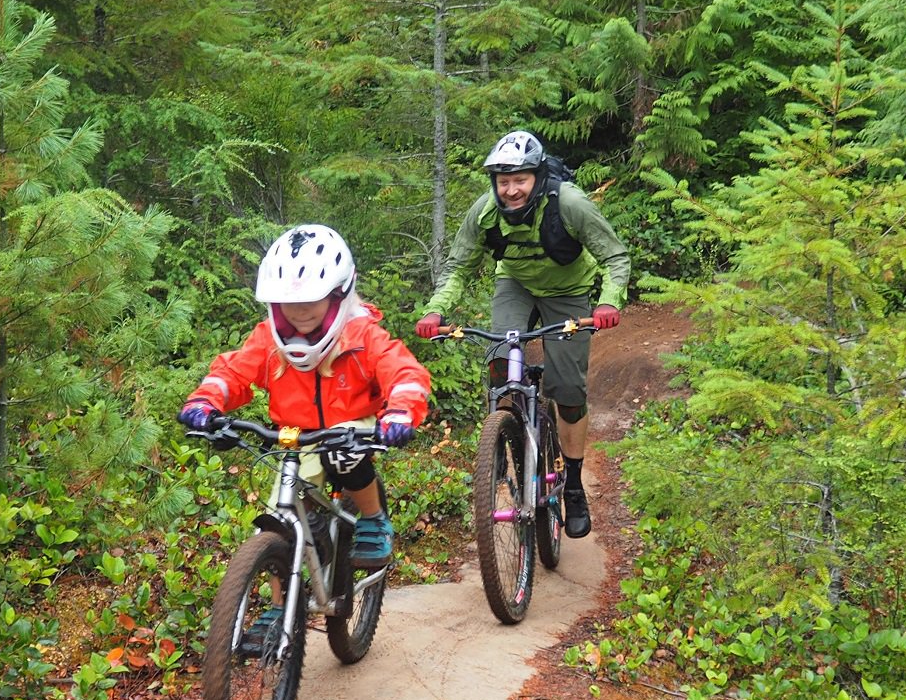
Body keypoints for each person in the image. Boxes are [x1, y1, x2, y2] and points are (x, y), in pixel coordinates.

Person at [415, 129, 630, 538]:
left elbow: (615, 255)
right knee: (500, 356)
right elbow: (458, 266)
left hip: (568, 291)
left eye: (520, 180)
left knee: (567, 390)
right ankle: (502, 436)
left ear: (537, 176)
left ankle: (573, 486)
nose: (511, 190)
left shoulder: (569, 203)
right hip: (514, 284)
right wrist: (435, 309)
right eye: (503, 181)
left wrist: (608, 301)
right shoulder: (485, 212)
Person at [178, 224, 431, 567]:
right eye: (288, 302)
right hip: (298, 436)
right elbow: (233, 371)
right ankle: (280, 608)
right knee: (279, 523)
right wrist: (205, 401)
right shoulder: (269, 338)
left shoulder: (361, 334)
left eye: (311, 299)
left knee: (342, 455)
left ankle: (373, 518)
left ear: (338, 294)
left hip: (354, 426)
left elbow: (403, 373)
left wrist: (401, 412)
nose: (299, 311)